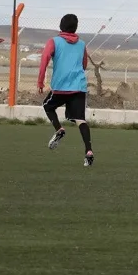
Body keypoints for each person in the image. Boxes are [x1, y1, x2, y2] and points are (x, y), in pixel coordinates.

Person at [37, 14, 94, 167]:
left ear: (61, 26)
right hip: (79, 87)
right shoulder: (81, 44)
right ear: (75, 28)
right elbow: (84, 65)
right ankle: (88, 152)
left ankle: (59, 129)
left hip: (61, 86)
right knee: (80, 120)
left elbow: (44, 60)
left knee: (48, 106)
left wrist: (40, 81)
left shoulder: (53, 42)